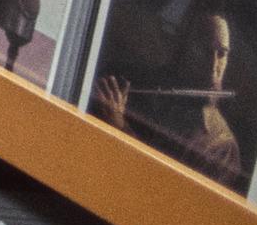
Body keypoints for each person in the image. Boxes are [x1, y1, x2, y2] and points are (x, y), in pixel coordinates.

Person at [91, 11, 245, 189]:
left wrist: (119, 128)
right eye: (202, 50)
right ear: (181, 44)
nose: (212, 68)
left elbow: (160, 196)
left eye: (222, 54)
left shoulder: (222, 146)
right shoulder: (135, 80)